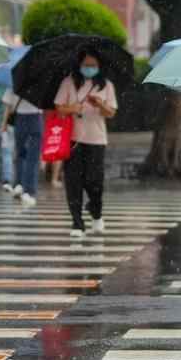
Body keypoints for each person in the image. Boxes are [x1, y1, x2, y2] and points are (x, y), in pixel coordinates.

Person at [54, 48, 118, 238]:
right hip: (73, 140)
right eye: (86, 65)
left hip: (97, 140)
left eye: (93, 65)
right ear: (79, 65)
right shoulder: (68, 82)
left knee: (94, 181)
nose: (89, 68)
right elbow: (59, 109)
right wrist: (72, 107)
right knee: (73, 182)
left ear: (99, 66)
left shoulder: (106, 85)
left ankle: (96, 211)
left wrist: (100, 104)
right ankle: (77, 222)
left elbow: (111, 113)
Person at [1, 87, 43, 206]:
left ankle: (19, 184)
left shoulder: (15, 82)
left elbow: (8, 107)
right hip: (36, 118)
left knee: (20, 154)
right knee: (33, 157)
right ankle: (29, 190)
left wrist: (4, 124)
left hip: (20, 118)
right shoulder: (42, 82)